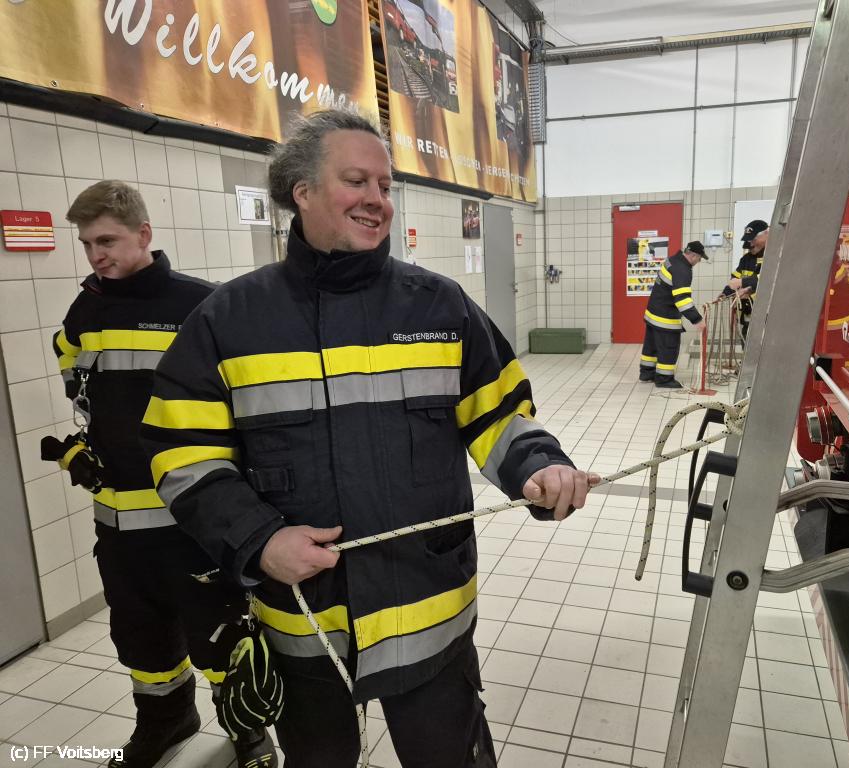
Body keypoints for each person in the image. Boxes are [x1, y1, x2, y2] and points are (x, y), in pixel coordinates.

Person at [140, 109, 600, 768]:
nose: (377, 200)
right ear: (301, 191)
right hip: (306, 622)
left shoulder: (439, 306)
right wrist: (259, 540)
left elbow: (500, 414)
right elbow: (183, 455)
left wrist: (538, 466)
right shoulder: (228, 321)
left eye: (385, 185)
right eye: (357, 181)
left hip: (430, 611)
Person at [44, 181, 277, 768]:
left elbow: (244, 401)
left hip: (191, 522)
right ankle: (166, 720)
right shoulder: (86, 308)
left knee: (220, 632)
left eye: (107, 241)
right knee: (140, 636)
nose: (96, 255)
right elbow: (70, 361)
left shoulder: (199, 305)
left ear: (143, 234)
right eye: (87, 244)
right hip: (118, 522)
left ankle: (247, 728)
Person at [639, 240, 708, 388]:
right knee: (668, 347)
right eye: (699, 258)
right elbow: (682, 299)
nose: (699, 261)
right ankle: (664, 379)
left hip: (653, 312)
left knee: (651, 346)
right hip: (665, 317)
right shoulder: (682, 269)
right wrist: (697, 320)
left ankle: (647, 373)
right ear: (693, 255)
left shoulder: (673, 259)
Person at [723, 219, 769, 340]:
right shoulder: (746, 259)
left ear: (766, 234)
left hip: (767, 318)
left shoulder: (774, 256)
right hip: (748, 316)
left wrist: (743, 283)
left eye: (753, 239)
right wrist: (725, 293)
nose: (750, 244)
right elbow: (735, 279)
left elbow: (768, 280)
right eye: (749, 240)